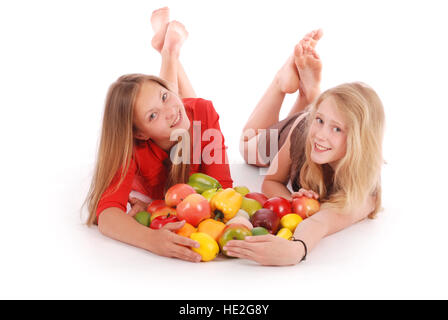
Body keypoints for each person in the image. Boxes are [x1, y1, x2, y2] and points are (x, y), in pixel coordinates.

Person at [84, 7, 232, 263]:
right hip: (171, 146)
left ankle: (169, 53)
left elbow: (224, 189)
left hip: (190, 117)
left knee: (184, 110)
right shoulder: (131, 146)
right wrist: (151, 240)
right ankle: (169, 52)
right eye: (151, 116)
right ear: (140, 133)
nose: (168, 111)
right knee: (178, 117)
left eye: (164, 95)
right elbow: (107, 214)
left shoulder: (202, 111)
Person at [227, 30, 385, 266]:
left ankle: (309, 94)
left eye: (337, 129)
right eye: (320, 121)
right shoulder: (305, 134)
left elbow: (321, 223)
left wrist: (296, 250)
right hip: (294, 130)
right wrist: (293, 200)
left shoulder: (365, 191)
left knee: (315, 124)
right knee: (248, 149)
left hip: (308, 120)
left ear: (360, 141)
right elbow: (271, 181)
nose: (320, 135)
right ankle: (283, 83)